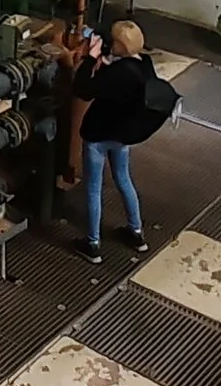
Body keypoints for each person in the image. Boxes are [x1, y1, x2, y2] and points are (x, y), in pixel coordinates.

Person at [70, 20, 178, 263]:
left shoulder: (117, 73)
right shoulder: (145, 65)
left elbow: (83, 89)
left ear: (119, 45)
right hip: (123, 135)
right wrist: (107, 65)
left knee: (93, 188)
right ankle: (136, 232)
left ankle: (93, 243)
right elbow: (121, 82)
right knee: (123, 179)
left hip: (99, 136)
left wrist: (91, 57)